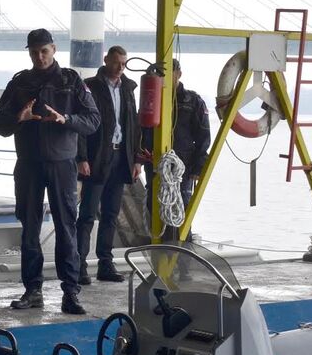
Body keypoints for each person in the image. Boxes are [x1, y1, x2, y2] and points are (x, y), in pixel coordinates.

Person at [0, 29, 100, 315]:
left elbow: (93, 120)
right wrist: (19, 117)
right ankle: (33, 291)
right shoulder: (19, 83)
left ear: (53, 49)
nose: (39, 57)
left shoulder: (71, 81)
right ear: (29, 52)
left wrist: (66, 119)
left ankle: (70, 292)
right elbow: (0, 124)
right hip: (28, 164)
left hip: (62, 164)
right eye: (34, 52)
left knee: (66, 227)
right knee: (29, 228)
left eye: (44, 51)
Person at [76, 45, 143, 285]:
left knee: (111, 215)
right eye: (115, 62)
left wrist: (137, 159)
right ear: (106, 60)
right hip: (97, 158)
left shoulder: (128, 88)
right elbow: (82, 125)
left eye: (123, 64)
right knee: (87, 215)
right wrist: (81, 158)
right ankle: (79, 266)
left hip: (120, 157)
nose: (119, 68)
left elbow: (134, 125)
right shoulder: (90, 86)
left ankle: (105, 263)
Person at [144, 59, 211, 234]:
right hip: (155, 164)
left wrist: (199, 166)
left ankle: (181, 246)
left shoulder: (193, 101)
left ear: (178, 74)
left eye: (168, 74)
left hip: (183, 167)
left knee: (180, 210)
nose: (164, 78)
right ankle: (158, 246)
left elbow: (203, 136)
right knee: (154, 205)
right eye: (160, 75)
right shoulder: (152, 98)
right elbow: (143, 130)